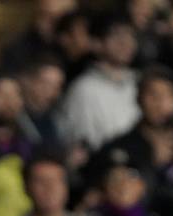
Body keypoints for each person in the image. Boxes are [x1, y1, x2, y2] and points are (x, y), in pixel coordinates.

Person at [58, 14, 141, 150]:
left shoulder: (140, 82)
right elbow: (82, 145)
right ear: (96, 43)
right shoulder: (83, 89)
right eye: (117, 36)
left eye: (130, 35)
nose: (126, 42)